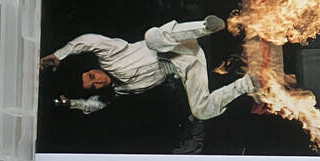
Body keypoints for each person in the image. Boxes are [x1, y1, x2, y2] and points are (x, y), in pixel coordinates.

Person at [40, 16, 255, 120]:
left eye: (92, 75)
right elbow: (93, 105)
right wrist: (71, 104)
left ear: (93, 67)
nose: (98, 80)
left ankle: (206, 26)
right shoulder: (119, 91)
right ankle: (248, 83)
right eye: (94, 85)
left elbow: (88, 41)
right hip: (188, 64)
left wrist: (60, 55)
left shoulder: (108, 56)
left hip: (178, 42)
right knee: (200, 111)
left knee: (151, 38)